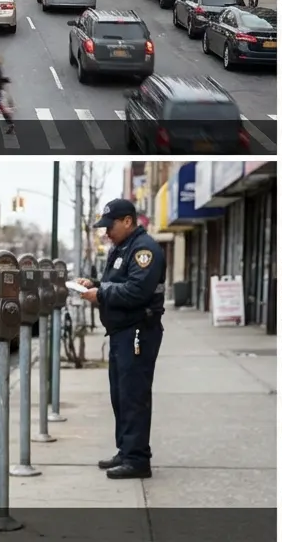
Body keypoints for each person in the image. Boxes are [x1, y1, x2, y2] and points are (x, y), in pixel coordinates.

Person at [74, 199, 166, 480]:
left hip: (137, 332)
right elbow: (120, 282)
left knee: (133, 396)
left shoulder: (144, 250)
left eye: (109, 226)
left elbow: (136, 291)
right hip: (121, 333)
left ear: (127, 221)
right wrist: (95, 285)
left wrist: (100, 296)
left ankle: (138, 459)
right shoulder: (122, 248)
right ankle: (127, 450)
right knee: (121, 396)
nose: (106, 232)